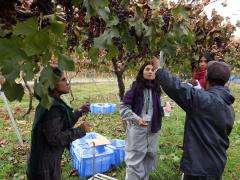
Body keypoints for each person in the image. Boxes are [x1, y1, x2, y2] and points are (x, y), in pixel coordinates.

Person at [153, 57, 235, 180]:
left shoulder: (201, 100)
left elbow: (175, 87)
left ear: (206, 77)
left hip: (198, 169)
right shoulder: (229, 108)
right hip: (216, 165)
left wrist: (159, 69)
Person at [27, 67, 91, 180]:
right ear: (52, 85)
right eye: (63, 80)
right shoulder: (52, 108)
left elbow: (60, 124)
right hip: (44, 168)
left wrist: (78, 112)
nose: (67, 82)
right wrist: (80, 130)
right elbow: (55, 138)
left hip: (47, 161)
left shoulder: (50, 101)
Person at [120, 62, 164, 180]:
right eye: (147, 69)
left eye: (153, 70)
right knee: (135, 156)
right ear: (142, 72)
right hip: (138, 127)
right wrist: (136, 119)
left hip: (153, 127)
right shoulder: (135, 88)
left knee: (150, 155)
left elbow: (158, 108)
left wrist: (164, 108)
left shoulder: (156, 89)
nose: (150, 71)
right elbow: (124, 107)